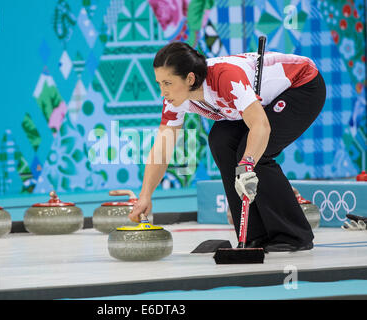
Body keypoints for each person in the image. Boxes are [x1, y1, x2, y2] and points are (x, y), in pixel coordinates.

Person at [128, 41, 326, 252]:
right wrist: (145, 195)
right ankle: (255, 236)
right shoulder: (175, 99)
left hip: (301, 85)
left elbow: (261, 126)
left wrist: (247, 165)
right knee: (221, 140)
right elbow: (162, 147)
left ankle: (294, 235)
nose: (162, 92)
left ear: (190, 78)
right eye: (159, 83)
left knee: (252, 155)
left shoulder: (225, 78)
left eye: (167, 83)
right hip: (260, 103)